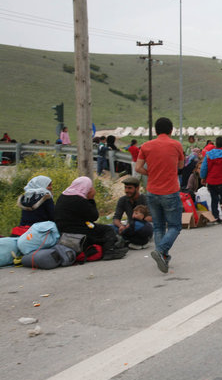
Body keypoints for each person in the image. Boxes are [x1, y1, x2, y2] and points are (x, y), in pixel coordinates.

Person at [135, 117, 184, 273]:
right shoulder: (176, 145)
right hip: (170, 190)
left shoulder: (146, 146)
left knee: (158, 226)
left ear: (155, 130)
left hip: (152, 191)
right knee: (175, 226)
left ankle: (163, 257)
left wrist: (150, 172)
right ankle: (161, 251)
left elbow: (138, 168)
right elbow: (181, 166)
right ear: (171, 130)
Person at [54, 176, 128, 260]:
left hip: (63, 231)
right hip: (77, 231)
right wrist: (91, 199)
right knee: (108, 229)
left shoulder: (63, 196)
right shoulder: (79, 200)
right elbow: (94, 216)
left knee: (99, 230)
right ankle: (109, 251)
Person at [200, 136, 222, 224]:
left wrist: (203, 177)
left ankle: (215, 217)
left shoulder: (208, 154)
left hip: (211, 181)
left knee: (214, 199)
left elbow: (204, 168)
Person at [112, 176, 151, 246]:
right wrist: (121, 226)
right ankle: (129, 240)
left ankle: (127, 239)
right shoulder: (122, 200)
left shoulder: (145, 199)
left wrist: (136, 222)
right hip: (129, 228)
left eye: (129, 188)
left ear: (137, 188)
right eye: (125, 188)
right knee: (109, 227)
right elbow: (116, 218)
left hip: (141, 227)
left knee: (144, 228)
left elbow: (151, 218)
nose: (127, 190)